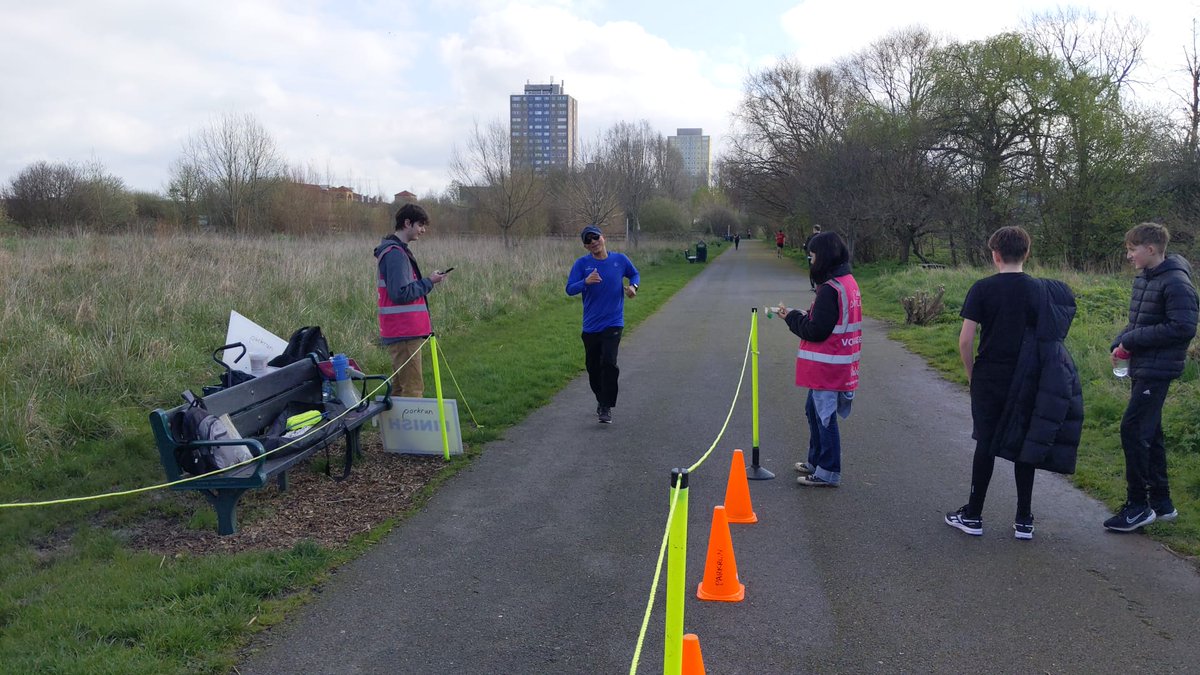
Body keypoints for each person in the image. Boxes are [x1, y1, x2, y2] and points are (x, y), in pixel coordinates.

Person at [945, 226, 1082, 541]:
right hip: (1028, 375)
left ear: (994, 255)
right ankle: (1024, 519)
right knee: (1024, 441)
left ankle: (974, 515)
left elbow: (966, 340)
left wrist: (972, 374)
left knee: (987, 442)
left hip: (991, 375)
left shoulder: (982, 289)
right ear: (1027, 253)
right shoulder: (1040, 290)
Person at [1104, 223, 1199, 532]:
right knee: (1151, 432)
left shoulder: (1175, 283)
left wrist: (1132, 342)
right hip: (1143, 366)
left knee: (1132, 429)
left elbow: (1183, 327)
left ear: (1152, 249)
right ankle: (1161, 503)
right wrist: (1119, 341)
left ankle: (1137, 507)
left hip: (1158, 369)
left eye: (1133, 249)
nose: (1129, 255)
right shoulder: (1146, 278)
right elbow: (1140, 321)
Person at [774, 231, 861, 487]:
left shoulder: (829, 289)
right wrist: (798, 313)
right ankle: (816, 460)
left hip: (828, 365)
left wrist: (790, 318)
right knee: (813, 411)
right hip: (838, 362)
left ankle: (828, 471)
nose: (810, 261)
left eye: (811, 256)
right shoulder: (846, 282)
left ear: (821, 257)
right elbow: (825, 319)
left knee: (824, 417)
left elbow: (816, 330)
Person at [566, 225, 640, 424]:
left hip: (614, 322)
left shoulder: (620, 260)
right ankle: (601, 399)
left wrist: (633, 287)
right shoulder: (582, 264)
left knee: (608, 362)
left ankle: (606, 406)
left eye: (595, 237)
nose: (593, 242)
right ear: (585, 246)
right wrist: (585, 282)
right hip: (590, 326)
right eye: (588, 240)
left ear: (603, 238)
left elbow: (635, 274)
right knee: (593, 368)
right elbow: (569, 289)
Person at [374, 203, 449, 398]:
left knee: (400, 390)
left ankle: (393, 429)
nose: (423, 230)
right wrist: (429, 281)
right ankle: (411, 428)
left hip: (403, 331)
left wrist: (427, 282)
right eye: (420, 225)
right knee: (413, 390)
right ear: (407, 223)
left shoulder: (396, 251)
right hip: (404, 332)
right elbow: (400, 293)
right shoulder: (396, 254)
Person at [803, 225, 822, 290]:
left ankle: (813, 286)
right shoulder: (823, 237)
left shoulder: (810, 237)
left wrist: (804, 247)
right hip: (821, 256)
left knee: (812, 270)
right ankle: (819, 285)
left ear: (814, 229)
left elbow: (806, 247)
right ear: (820, 229)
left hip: (811, 256)